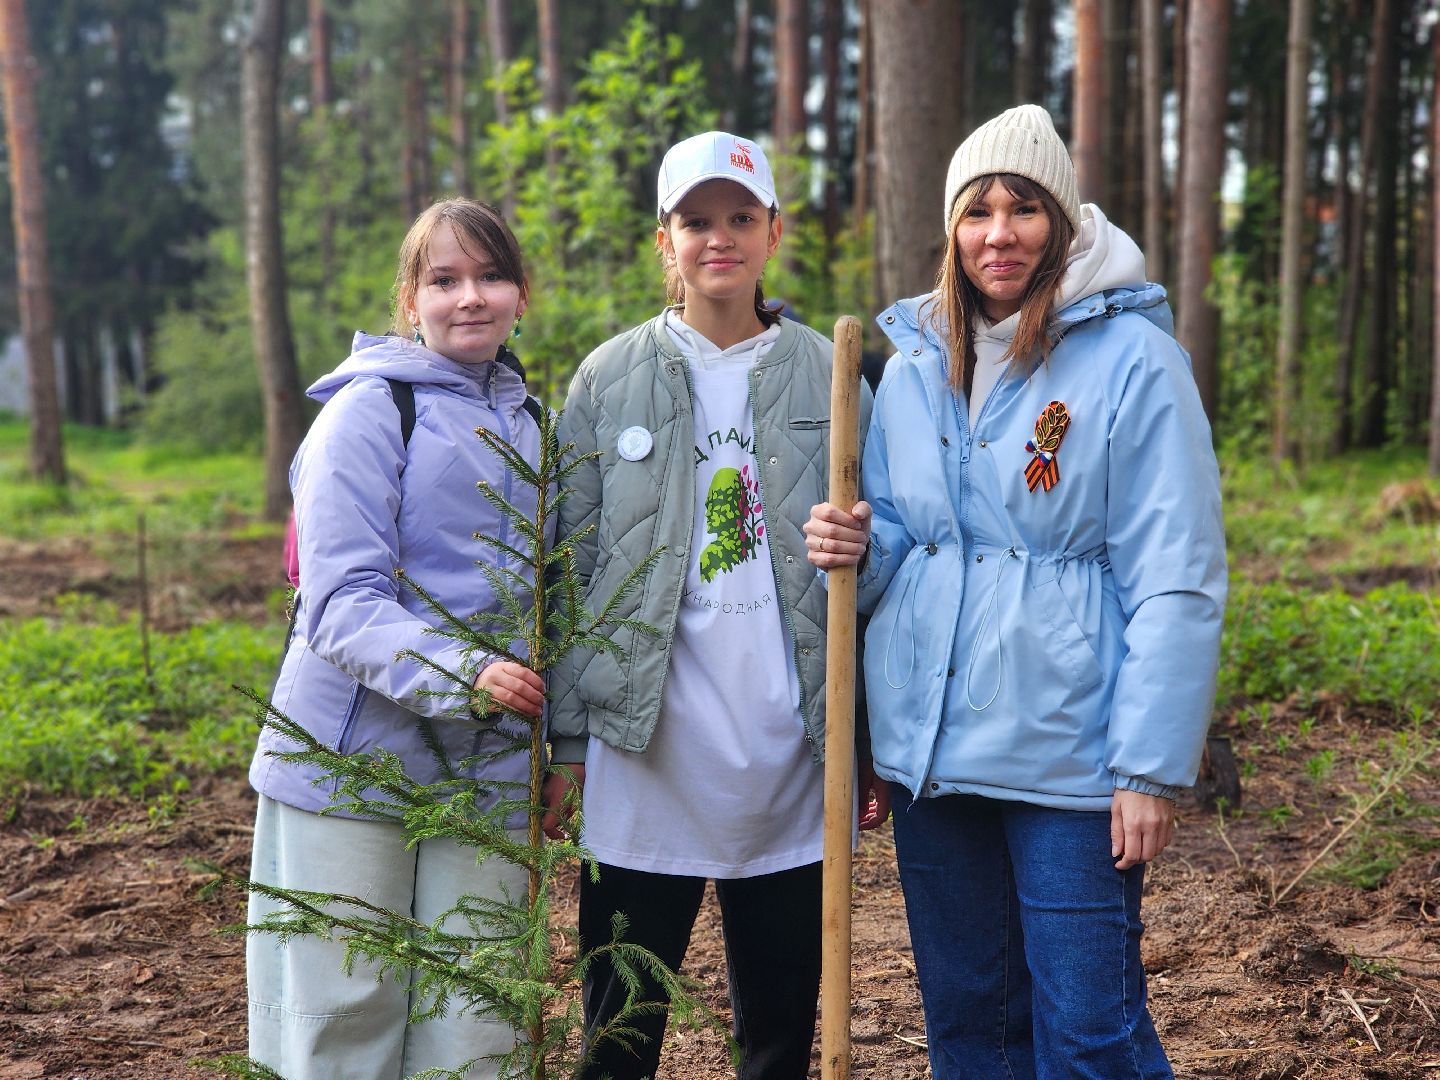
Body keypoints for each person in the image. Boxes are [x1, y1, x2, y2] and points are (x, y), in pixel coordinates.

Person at [805, 104, 1226, 1079]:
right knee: (970, 1026)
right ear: (951, 228)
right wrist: (859, 545)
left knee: (1089, 1030)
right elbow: (913, 532)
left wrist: (1150, 766)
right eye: (978, 210)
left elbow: (1177, 573)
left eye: (1025, 207)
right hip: (935, 754)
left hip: (1072, 759)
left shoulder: (1135, 363)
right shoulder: (916, 364)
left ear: (1064, 220)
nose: (999, 232)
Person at [545, 131, 888, 1080]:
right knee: (617, 1034)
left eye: (741, 217)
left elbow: (897, 549)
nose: (719, 239)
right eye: (696, 221)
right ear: (664, 239)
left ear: (775, 231)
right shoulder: (607, 380)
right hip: (643, 752)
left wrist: (869, 550)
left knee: (777, 1037)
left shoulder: (834, 371)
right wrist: (568, 748)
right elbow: (567, 573)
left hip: (787, 757)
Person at [246, 199, 548, 1080]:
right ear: (409, 299)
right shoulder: (370, 412)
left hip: (486, 769)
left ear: (522, 293)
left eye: (491, 276)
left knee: (478, 1016)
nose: (471, 298)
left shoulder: (537, 423)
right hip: (348, 762)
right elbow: (339, 601)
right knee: (345, 1013)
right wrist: (470, 672)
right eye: (444, 279)